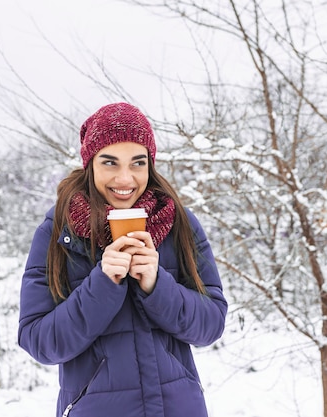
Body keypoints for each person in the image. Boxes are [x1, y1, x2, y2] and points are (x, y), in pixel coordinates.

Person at [18, 102, 228, 417]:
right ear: (90, 164)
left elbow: (210, 324)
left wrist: (158, 286)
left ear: (150, 165)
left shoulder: (179, 224)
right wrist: (102, 286)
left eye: (138, 163)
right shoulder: (59, 233)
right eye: (110, 162)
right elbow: (39, 341)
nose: (125, 178)